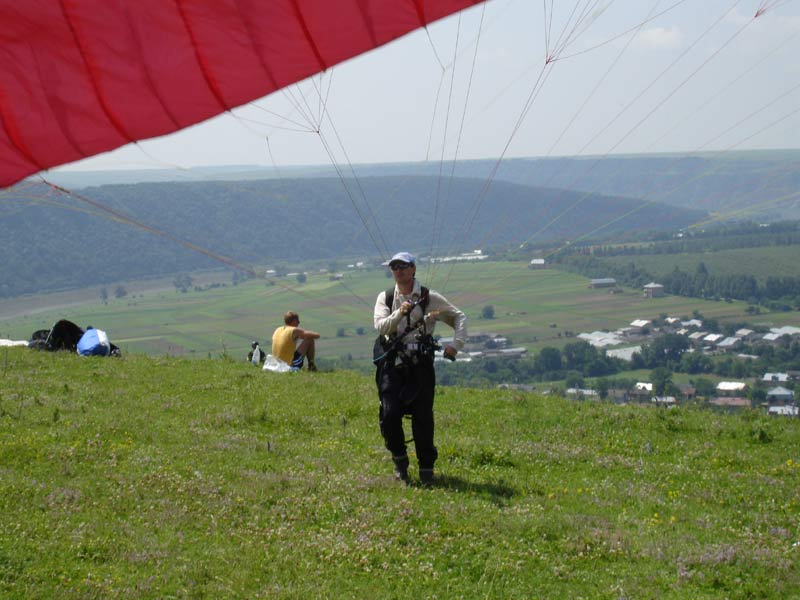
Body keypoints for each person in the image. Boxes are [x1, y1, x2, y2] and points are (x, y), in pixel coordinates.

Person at [373, 251, 466, 485]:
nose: (398, 270)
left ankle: (426, 469)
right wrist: (399, 313)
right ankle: (399, 460)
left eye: (403, 266)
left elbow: (458, 317)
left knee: (423, 418)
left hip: (420, 364)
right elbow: (382, 327)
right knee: (389, 415)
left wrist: (456, 345)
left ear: (413, 269)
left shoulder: (429, 297)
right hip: (393, 364)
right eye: (394, 267)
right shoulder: (385, 298)